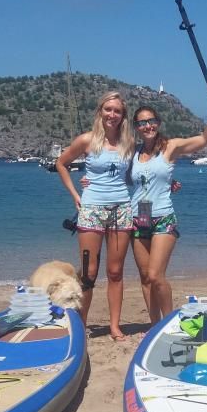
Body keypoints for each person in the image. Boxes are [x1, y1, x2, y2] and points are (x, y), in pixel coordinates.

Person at [129, 93, 207, 325]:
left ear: (158, 123)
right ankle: (154, 325)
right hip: (138, 217)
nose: (147, 125)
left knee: (156, 276)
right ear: (136, 128)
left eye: (151, 121)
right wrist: (88, 182)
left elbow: (205, 138)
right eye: (142, 122)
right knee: (144, 277)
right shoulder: (133, 153)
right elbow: (123, 179)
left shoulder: (170, 147)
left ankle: (169, 321)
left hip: (163, 217)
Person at [56, 91, 135, 341]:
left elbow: (134, 175)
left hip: (121, 210)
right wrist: (75, 194)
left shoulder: (128, 143)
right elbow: (61, 163)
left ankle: (114, 326)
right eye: (108, 109)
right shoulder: (87, 140)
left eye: (117, 111)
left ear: (123, 116)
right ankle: (81, 325)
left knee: (115, 272)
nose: (112, 115)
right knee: (89, 274)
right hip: (91, 210)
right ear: (100, 111)